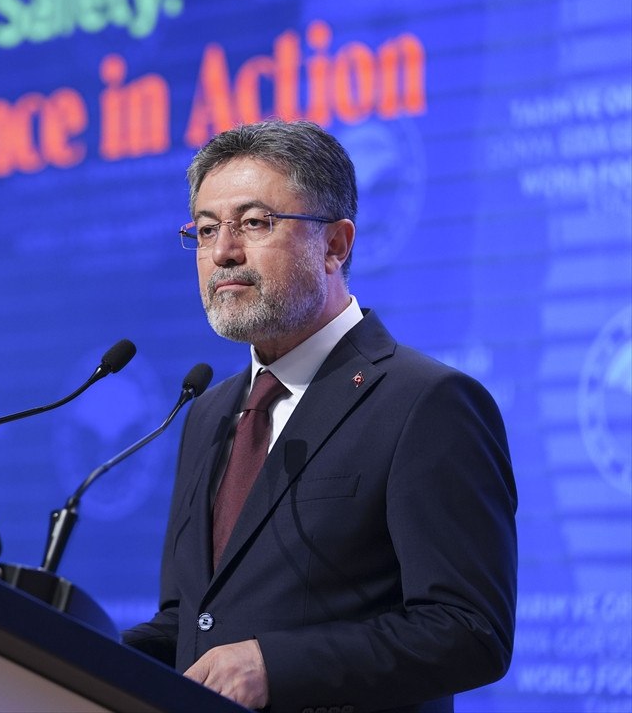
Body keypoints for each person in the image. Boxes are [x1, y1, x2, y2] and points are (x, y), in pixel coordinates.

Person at [122, 120, 517, 713]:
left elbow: (469, 630)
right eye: (206, 230)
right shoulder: (209, 412)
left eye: (254, 223)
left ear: (335, 244)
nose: (223, 252)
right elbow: (193, 620)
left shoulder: (427, 403)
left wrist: (275, 668)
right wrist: (67, 649)